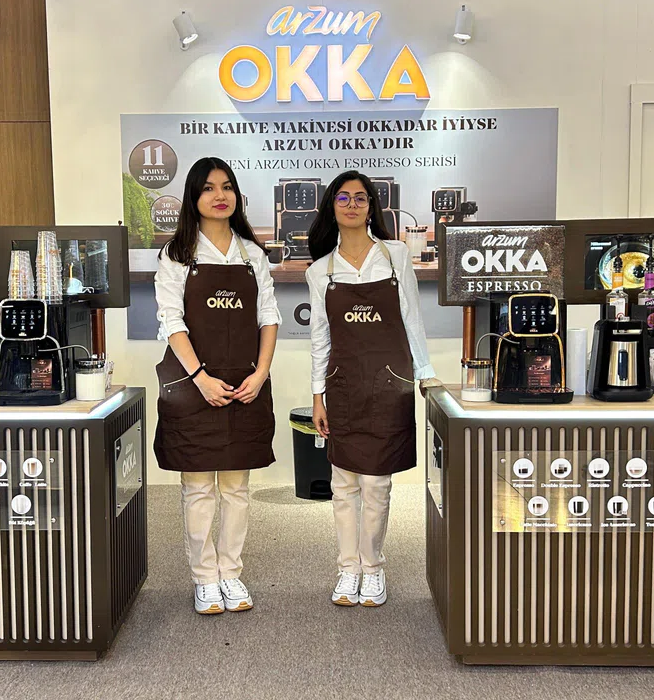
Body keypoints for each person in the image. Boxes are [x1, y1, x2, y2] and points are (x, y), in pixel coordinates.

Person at [306, 170, 440, 608]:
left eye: (360, 198)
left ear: (371, 207)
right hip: (343, 385)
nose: (351, 204)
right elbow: (320, 338)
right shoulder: (320, 271)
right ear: (332, 207)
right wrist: (317, 395)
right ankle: (348, 569)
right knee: (343, 483)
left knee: (377, 483)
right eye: (343, 198)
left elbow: (412, 318)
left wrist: (425, 373)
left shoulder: (396, 255)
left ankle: (373, 567)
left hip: (388, 385)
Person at [154, 157, 280, 615]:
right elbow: (172, 322)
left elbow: (269, 317)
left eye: (226, 187)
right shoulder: (177, 255)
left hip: (246, 383)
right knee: (198, 488)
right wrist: (200, 378)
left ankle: (231, 572)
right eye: (208, 188)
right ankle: (205, 578)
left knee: (236, 488)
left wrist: (260, 374)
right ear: (194, 197)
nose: (219, 196)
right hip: (194, 385)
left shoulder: (252, 254)